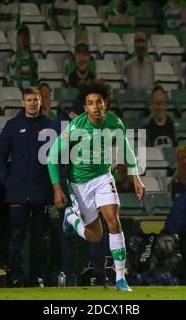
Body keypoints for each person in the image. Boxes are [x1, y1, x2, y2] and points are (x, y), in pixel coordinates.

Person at [47, 80, 146, 292]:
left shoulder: (114, 122)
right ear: (85, 107)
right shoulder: (75, 127)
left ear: (105, 103)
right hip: (79, 184)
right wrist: (57, 187)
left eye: (99, 102)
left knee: (113, 221)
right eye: (90, 103)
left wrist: (136, 176)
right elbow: (52, 155)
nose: (95, 107)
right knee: (95, 235)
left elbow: (126, 149)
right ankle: (71, 219)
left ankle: (120, 279)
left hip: (103, 177)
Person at [0, 87, 53, 287]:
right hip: (17, 193)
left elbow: (58, 157)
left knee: (42, 238)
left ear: (40, 102)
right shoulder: (12, 126)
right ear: (23, 102)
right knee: (16, 238)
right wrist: (7, 181)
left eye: (36, 100)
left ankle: (39, 278)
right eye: (29, 100)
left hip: (43, 193)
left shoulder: (50, 125)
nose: (33, 103)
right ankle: (16, 277)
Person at [52, 99, 108, 287]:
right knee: (71, 238)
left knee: (96, 231)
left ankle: (99, 276)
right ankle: (71, 278)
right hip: (72, 188)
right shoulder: (66, 131)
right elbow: (55, 160)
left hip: (90, 187)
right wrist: (59, 188)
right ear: (73, 114)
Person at [8, 23, 38, 91]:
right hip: (18, 94)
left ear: (28, 38)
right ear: (17, 38)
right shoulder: (14, 58)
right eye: (20, 35)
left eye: (25, 35)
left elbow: (36, 77)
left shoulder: (34, 57)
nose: (23, 38)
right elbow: (12, 79)